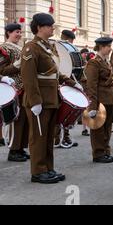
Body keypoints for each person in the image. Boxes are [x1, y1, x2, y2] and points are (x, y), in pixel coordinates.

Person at [21, 13, 81, 184]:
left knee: (48, 136)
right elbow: (28, 77)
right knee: (38, 136)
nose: (53, 28)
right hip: (39, 100)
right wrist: (35, 101)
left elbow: (54, 72)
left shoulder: (49, 46)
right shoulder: (31, 47)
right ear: (39, 27)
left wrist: (71, 82)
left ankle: (48, 168)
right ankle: (38, 171)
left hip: (51, 98)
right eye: (50, 25)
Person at [0, 23, 30, 161]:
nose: (19, 34)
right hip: (14, 89)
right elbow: (2, 70)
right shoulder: (4, 48)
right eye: (16, 32)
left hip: (25, 88)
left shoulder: (21, 47)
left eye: (20, 32)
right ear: (8, 33)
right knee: (16, 120)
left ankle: (20, 148)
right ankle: (13, 150)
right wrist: (17, 66)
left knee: (24, 120)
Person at [85, 37, 113, 164]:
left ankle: (105, 150)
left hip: (109, 99)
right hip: (99, 100)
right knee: (98, 127)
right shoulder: (94, 62)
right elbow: (91, 85)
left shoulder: (106, 62)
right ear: (101, 47)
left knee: (107, 127)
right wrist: (92, 106)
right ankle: (98, 153)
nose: (110, 49)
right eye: (108, 46)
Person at [54, 29, 79, 149]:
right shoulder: (56, 48)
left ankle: (65, 136)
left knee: (66, 112)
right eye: (71, 40)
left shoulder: (65, 49)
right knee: (60, 112)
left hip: (67, 82)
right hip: (58, 85)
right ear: (67, 39)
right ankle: (57, 138)